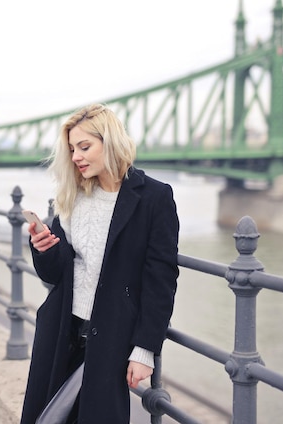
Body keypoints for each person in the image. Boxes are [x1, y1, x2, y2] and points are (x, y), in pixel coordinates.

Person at [20, 104, 179, 424]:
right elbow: (56, 273)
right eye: (71, 149)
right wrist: (43, 249)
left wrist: (145, 349)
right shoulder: (71, 195)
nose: (76, 156)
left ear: (111, 142)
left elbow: (161, 279)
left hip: (112, 338)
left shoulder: (154, 197)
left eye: (84, 146)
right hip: (61, 330)